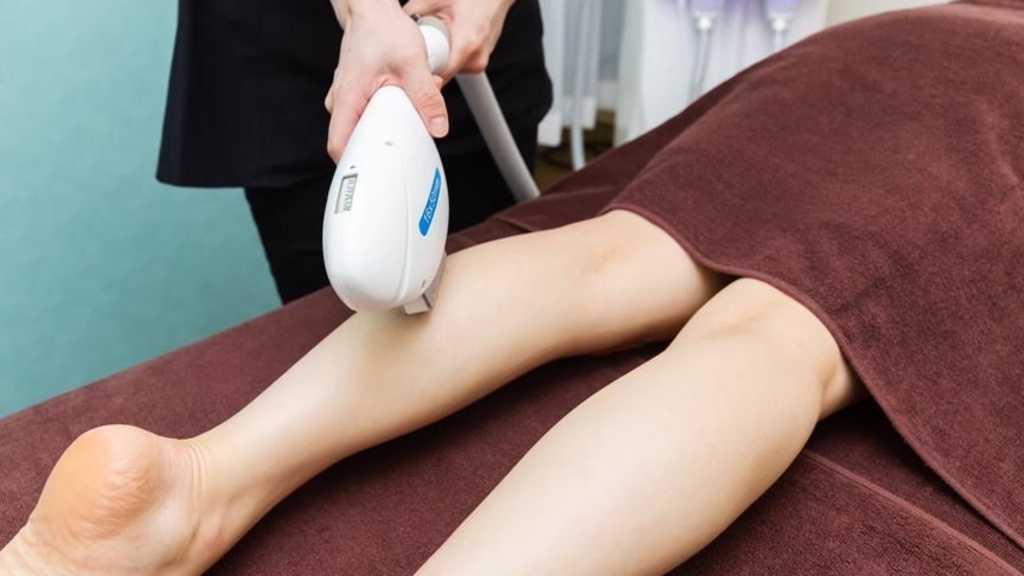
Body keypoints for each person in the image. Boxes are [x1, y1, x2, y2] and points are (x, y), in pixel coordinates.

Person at [3, 1, 1022, 573]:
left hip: (888, 50)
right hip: (997, 100)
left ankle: (200, 481)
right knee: (781, 331)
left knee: (614, 253)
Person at [157, 0, 552, 303]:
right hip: (290, 57)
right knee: (347, 311)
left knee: (500, 295)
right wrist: (364, 10)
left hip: (467, 36)